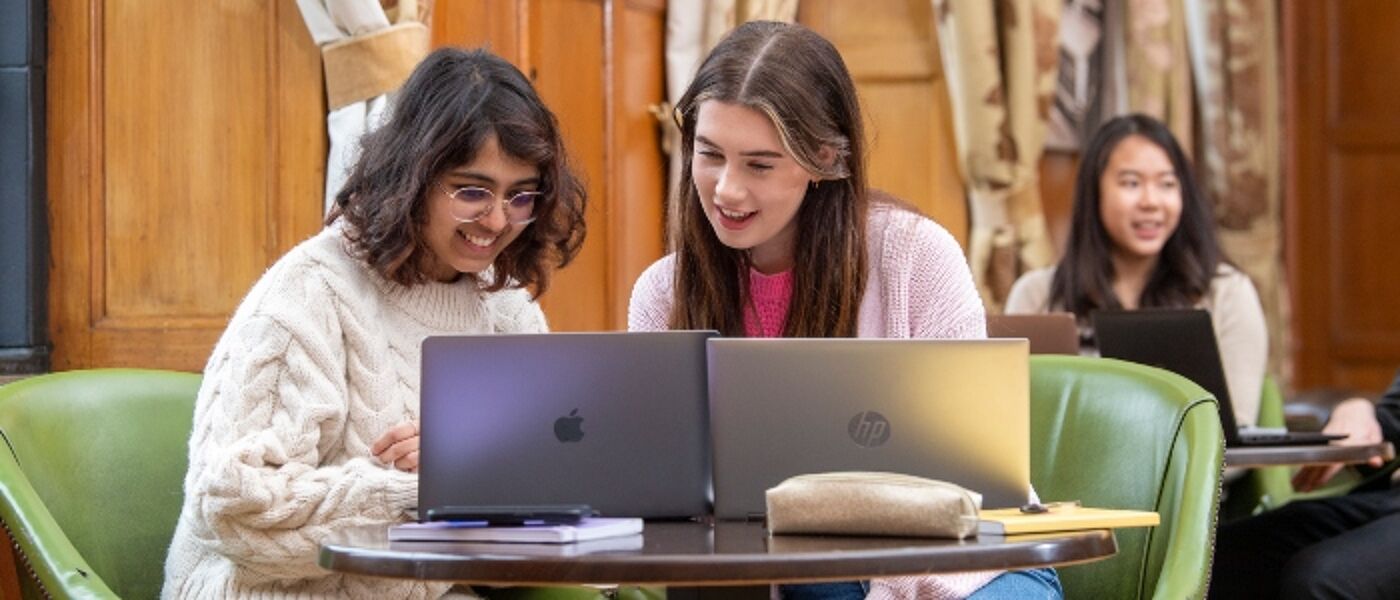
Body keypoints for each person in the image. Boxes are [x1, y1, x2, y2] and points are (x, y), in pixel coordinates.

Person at [629, 20, 1061, 600]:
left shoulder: (915, 257)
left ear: (826, 158)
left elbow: (968, 480)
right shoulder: (664, 292)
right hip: (799, 575)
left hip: (968, 565)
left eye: (760, 164)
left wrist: (889, 592)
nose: (726, 190)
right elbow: (670, 508)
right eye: (709, 155)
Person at [162, 48, 586, 599]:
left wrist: (499, 483)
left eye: (520, 196)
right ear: (413, 176)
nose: (498, 220)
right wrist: (426, 491)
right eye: (473, 191)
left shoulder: (509, 312)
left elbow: (520, 512)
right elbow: (231, 508)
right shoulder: (309, 294)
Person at [1004, 114, 1269, 428]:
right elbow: (1011, 421)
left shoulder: (1228, 293)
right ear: (1094, 193)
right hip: (1065, 476)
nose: (1151, 202)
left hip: (1191, 476)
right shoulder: (1037, 294)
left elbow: (1235, 437)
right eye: (1131, 183)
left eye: (1167, 184)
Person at [1209, 371, 1400, 599]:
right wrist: (1357, 409)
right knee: (1220, 557)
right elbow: (1392, 426)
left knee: (1321, 580)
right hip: (1387, 497)